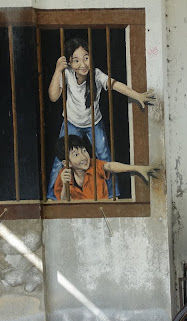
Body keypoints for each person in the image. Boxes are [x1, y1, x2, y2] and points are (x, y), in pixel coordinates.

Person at [47, 37, 155, 200]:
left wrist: (137, 95)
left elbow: (116, 85)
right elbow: (53, 96)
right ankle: (53, 197)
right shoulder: (67, 74)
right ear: (69, 63)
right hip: (71, 123)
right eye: (76, 60)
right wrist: (57, 70)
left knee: (104, 157)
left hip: (93, 122)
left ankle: (112, 195)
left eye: (86, 58)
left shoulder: (96, 74)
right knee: (60, 159)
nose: (83, 64)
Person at [53, 134, 159, 201]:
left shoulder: (94, 164)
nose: (84, 157)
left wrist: (137, 168)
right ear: (67, 163)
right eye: (76, 154)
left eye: (84, 151)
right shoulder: (63, 174)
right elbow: (63, 201)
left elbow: (109, 165)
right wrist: (65, 184)